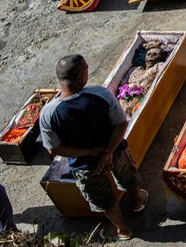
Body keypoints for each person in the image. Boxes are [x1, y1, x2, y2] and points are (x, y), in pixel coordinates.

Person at [39, 55, 148, 241]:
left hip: (85, 166)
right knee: (126, 176)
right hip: (116, 152)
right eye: (87, 69)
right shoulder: (100, 94)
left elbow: (54, 149)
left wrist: (90, 152)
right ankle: (137, 201)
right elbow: (121, 124)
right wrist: (108, 152)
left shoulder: (48, 113)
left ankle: (122, 229)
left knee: (102, 199)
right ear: (81, 78)